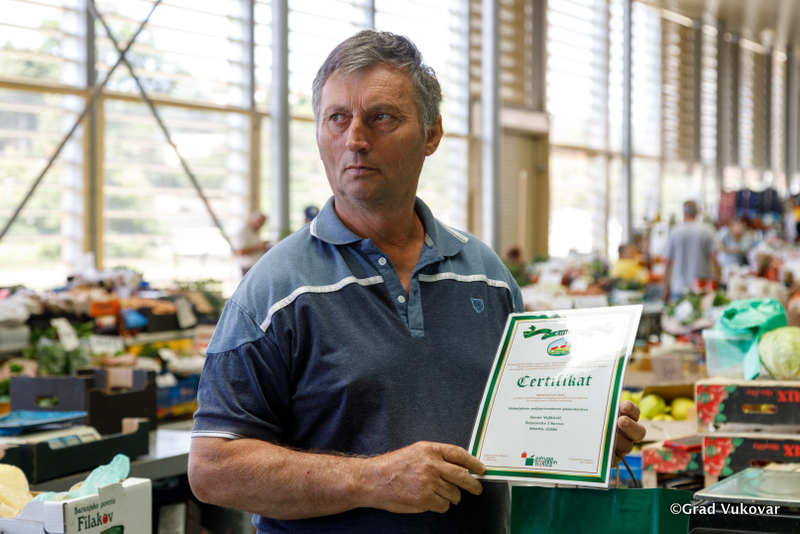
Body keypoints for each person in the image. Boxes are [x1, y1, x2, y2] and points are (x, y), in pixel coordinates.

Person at [188, 31, 645, 533]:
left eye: (382, 117)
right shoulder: (274, 291)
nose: (355, 139)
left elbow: (520, 429)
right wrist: (371, 480)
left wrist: (584, 435)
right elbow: (213, 469)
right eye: (337, 118)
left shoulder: (487, 276)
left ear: (431, 134)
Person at [663, 200, 717, 302]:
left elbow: (667, 263)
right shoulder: (708, 231)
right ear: (697, 212)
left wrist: (666, 288)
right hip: (702, 288)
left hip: (679, 288)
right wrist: (716, 284)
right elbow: (714, 260)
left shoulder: (675, 232)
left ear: (684, 212)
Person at [234, 211, 269, 276]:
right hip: (248, 268)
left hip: (256, 266)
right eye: (259, 222)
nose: (260, 225)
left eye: (262, 223)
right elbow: (241, 252)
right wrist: (259, 247)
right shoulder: (244, 231)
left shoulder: (255, 231)